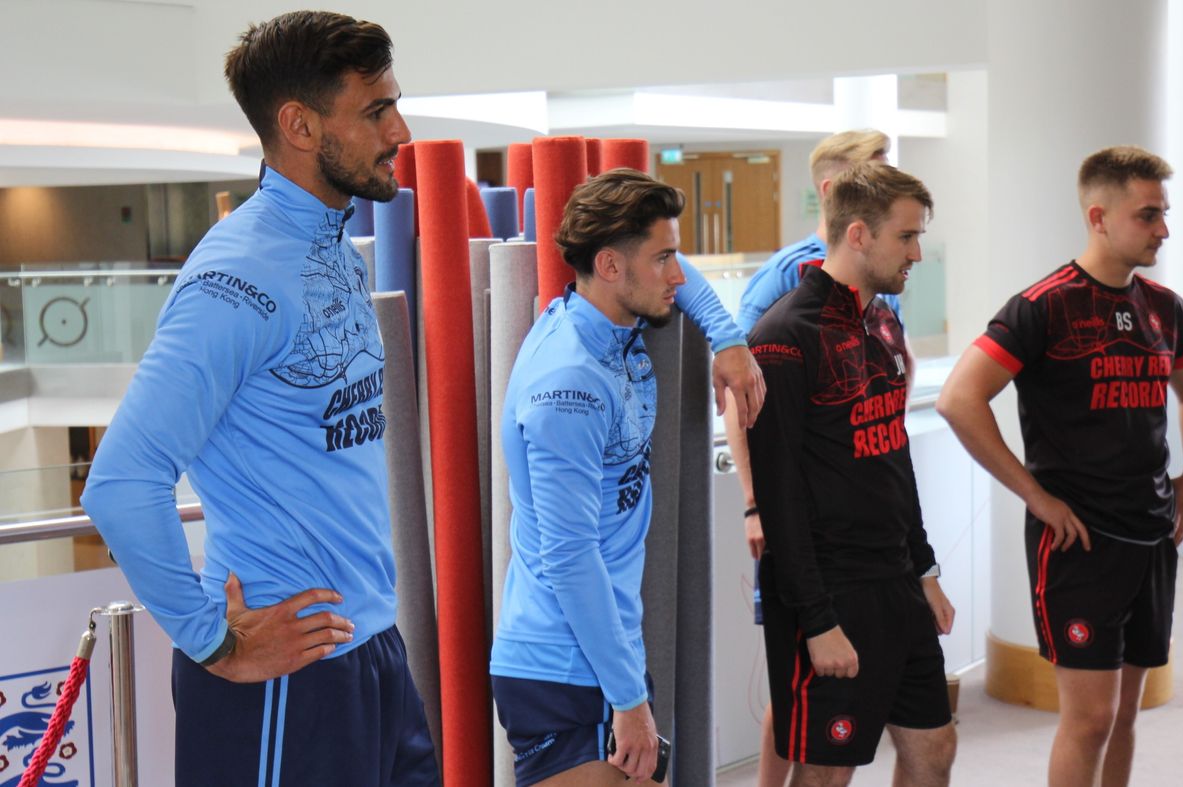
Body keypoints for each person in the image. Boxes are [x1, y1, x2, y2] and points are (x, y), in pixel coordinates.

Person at [81, 11, 440, 785]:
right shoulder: (234, 281)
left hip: (370, 648)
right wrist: (213, 641)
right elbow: (121, 481)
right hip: (286, 675)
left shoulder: (332, 251)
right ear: (300, 126)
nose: (400, 131)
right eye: (376, 111)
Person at [935, 145, 1183, 787]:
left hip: (1151, 536)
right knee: (1088, 720)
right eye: (1148, 215)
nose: (1163, 230)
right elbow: (958, 399)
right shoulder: (1042, 306)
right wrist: (1035, 496)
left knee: (1123, 716)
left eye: (1164, 214)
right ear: (1098, 217)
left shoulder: (1165, 307)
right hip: (1078, 543)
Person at [747, 162, 956, 786]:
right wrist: (817, 621)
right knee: (826, 772)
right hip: (832, 592)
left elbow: (893, 456)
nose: (917, 253)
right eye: (906, 236)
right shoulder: (783, 337)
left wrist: (924, 570)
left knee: (934, 748)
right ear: (859, 234)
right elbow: (779, 497)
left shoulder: (880, 324)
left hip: (897, 579)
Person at [489, 169, 692, 785]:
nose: (679, 277)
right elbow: (569, 554)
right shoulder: (570, 381)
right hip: (564, 665)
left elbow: (677, 280)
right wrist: (628, 698)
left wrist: (732, 342)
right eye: (664, 259)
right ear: (609, 265)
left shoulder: (601, 325)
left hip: (603, 652)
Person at [723, 129, 896, 786]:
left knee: (849, 680)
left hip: (863, 519)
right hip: (803, 519)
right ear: (832, 190)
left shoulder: (882, 275)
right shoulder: (784, 280)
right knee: (798, 681)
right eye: (877, 174)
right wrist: (755, 502)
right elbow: (742, 396)